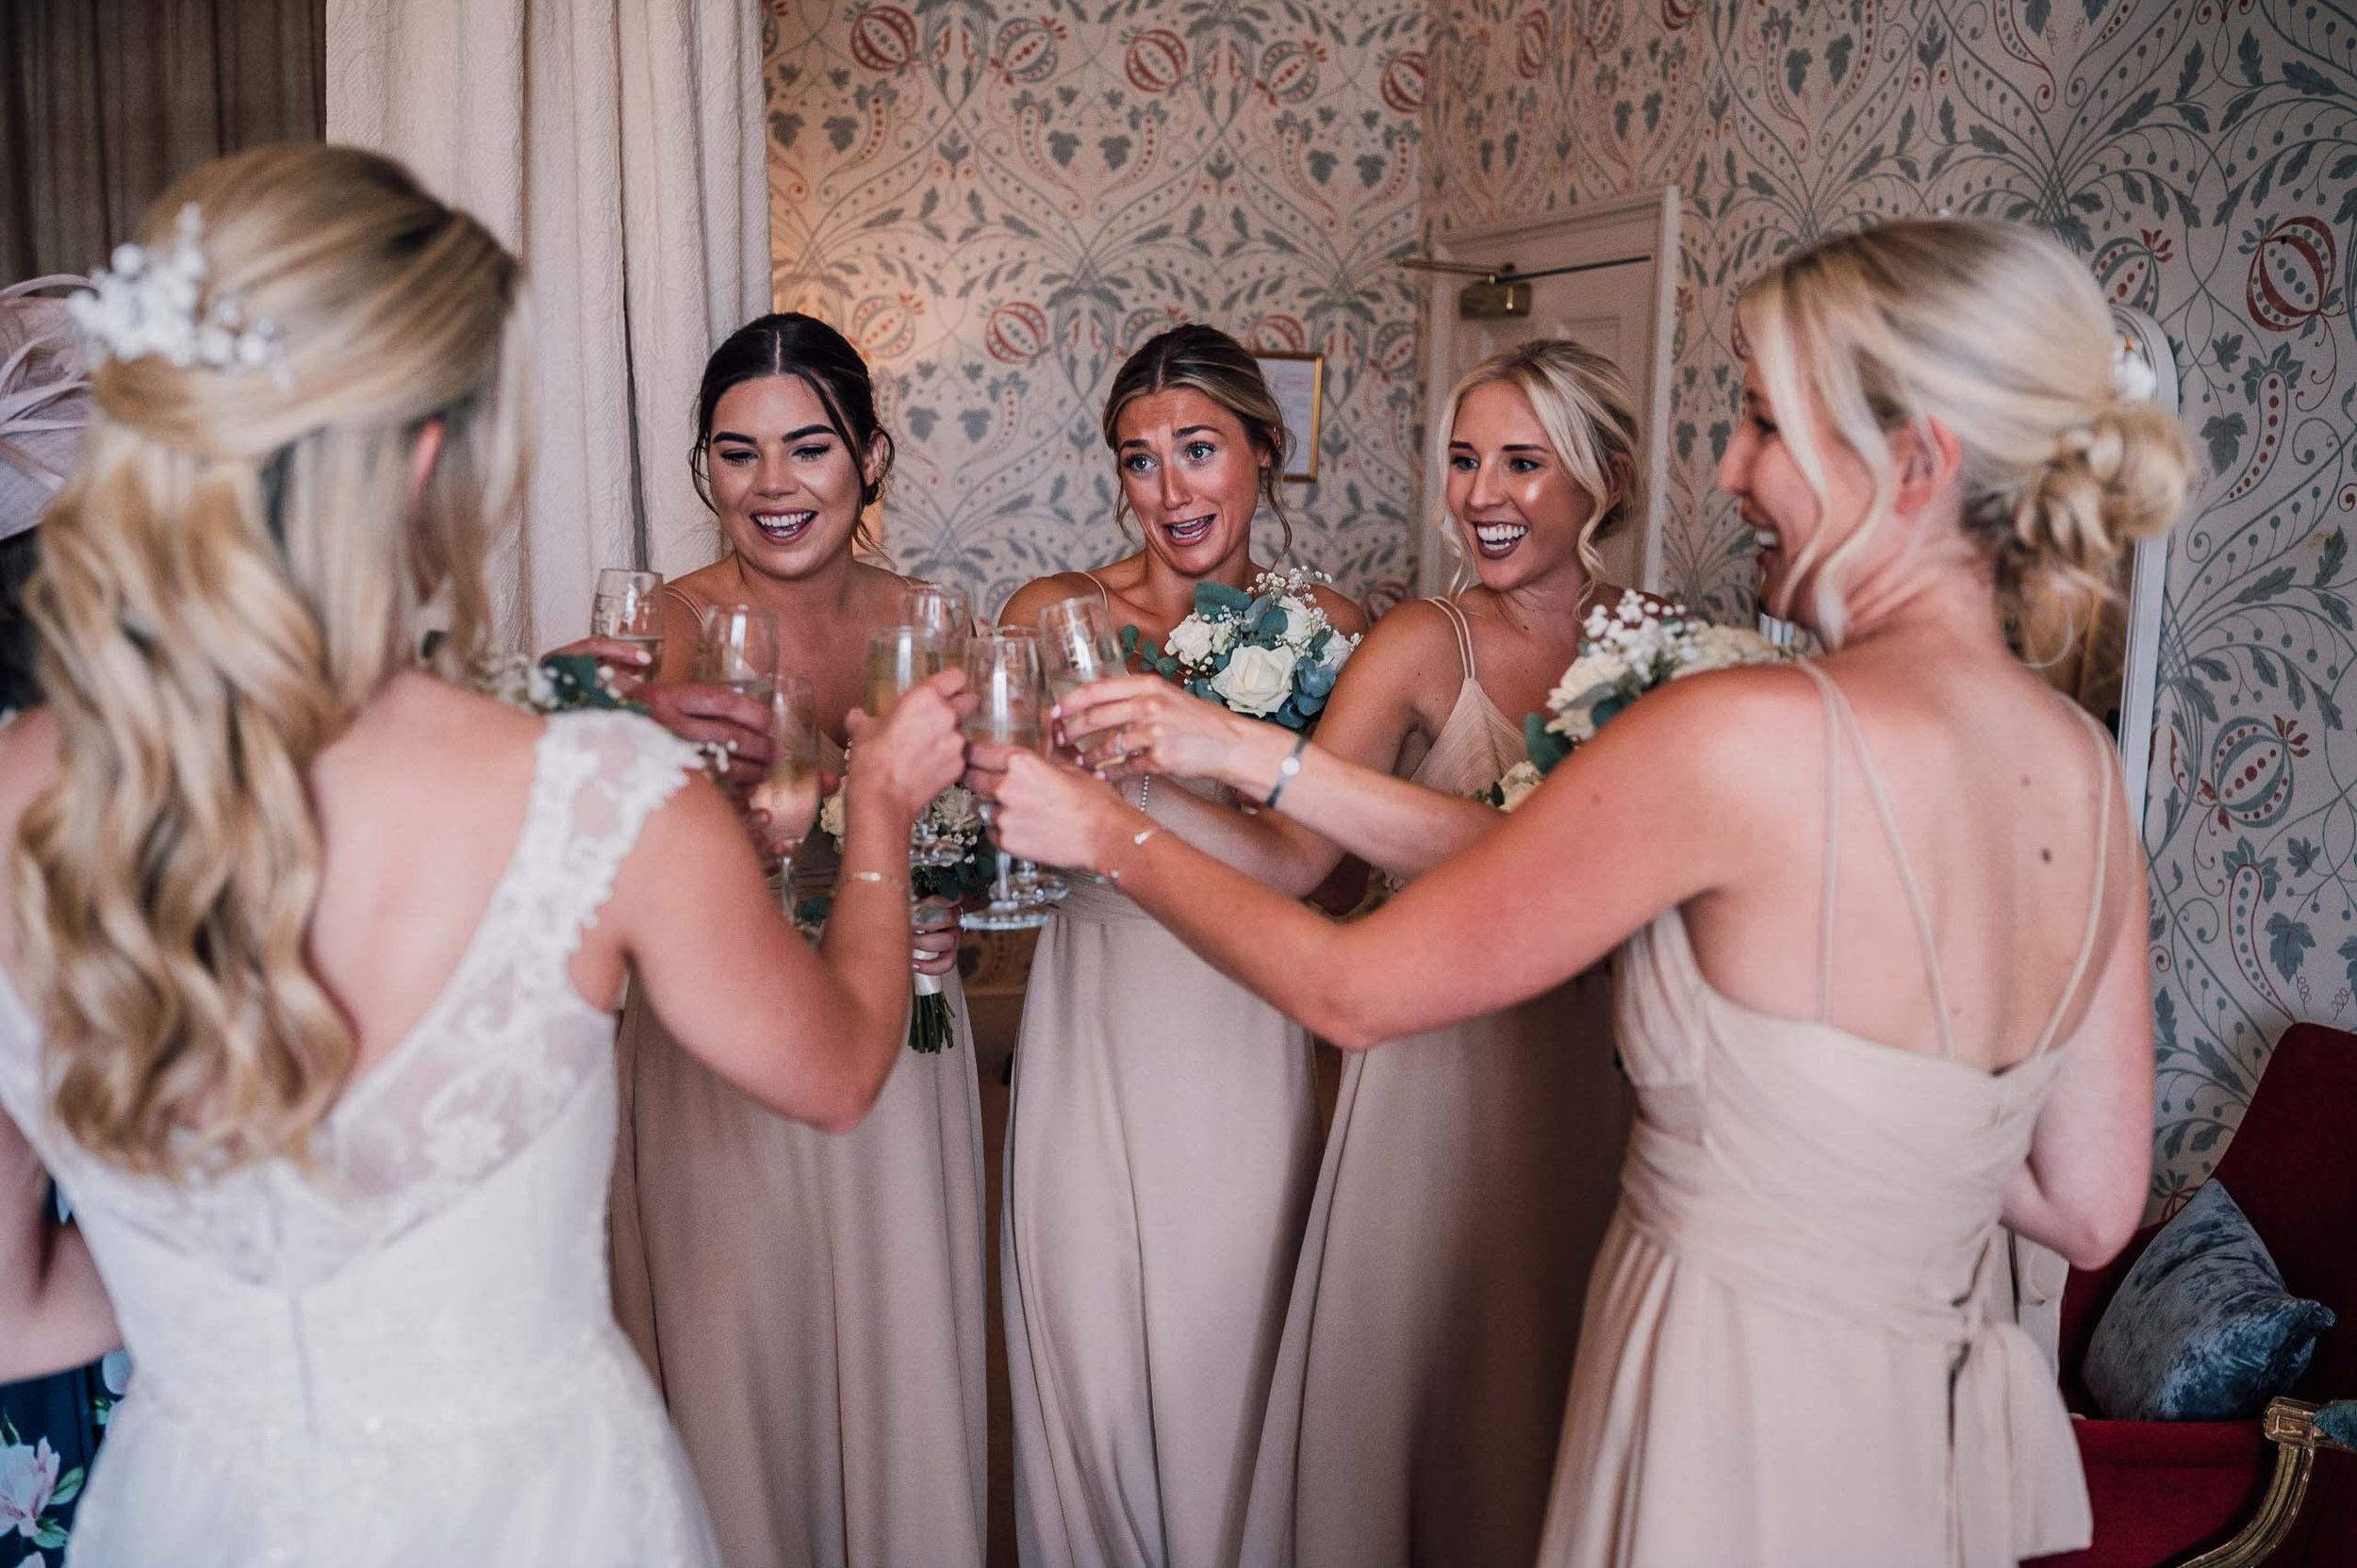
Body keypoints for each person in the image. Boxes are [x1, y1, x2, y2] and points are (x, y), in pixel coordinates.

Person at [983, 217, 2189, 1566]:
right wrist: (1239, 752)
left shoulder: (1743, 729)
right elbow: (2089, 1204)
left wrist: (1110, 831)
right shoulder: (2082, 763)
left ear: (1917, 463)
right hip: (1920, 1428)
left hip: (1725, 1385)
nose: (1728, 469)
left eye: (1762, 423)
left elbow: (1351, 988)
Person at [0, 145, 967, 1566]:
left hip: (191, 1514)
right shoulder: (602, 791)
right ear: (430, 457)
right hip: (539, 1516)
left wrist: (240, 1289)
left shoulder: (17, 795)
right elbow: (835, 1077)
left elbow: (13, 1315)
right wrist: (879, 811)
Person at [1047, 338, 1649, 1566]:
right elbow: (1300, 863)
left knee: (1582, 1398)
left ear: (1607, 480)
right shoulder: (1414, 644)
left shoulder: (1660, 649)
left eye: (1522, 464)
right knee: (1423, 1418)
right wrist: (1133, 801)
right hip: (1423, 1064)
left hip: (1614, 1078)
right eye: (1465, 461)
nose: (1481, 495)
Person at [598, 313, 989, 1568]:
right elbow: (603, 856)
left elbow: (977, 841)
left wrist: (955, 913)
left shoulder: (934, 620)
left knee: (900, 1341)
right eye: (735, 453)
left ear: (870, 458)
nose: (771, 486)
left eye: (807, 448)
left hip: (908, 1043)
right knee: (741, 1355)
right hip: (724, 1038)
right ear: (704, 470)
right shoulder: (658, 632)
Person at [986, 322, 1366, 1568]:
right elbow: (1008, 836)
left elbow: (1341, 869)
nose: (1170, 493)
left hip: (1243, 1010)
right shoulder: (1055, 617)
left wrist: (1150, 792)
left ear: (1267, 452)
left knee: (1229, 1357)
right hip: (1093, 1010)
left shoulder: (1327, 627)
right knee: (1087, 1352)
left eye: (1198, 451)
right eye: (1139, 463)